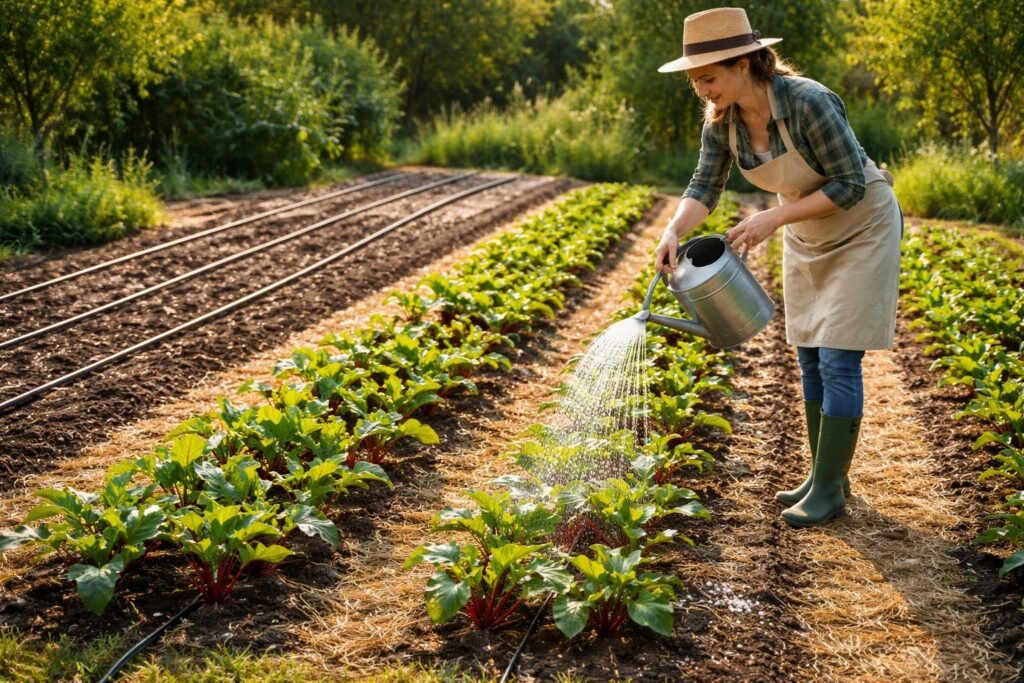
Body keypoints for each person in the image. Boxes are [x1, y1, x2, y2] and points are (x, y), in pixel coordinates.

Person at [652, 7, 902, 528]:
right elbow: (704, 185)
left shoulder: (809, 102)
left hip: (862, 227)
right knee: (809, 355)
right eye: (695, 81)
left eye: (708, 78)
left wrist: (774, 217)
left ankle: (829, 490)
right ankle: (824, 476)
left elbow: (850, 184)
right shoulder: (722, 122)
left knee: (837, 358)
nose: (702, 90)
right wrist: (673, 229)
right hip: (808, 232)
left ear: (743, 64)